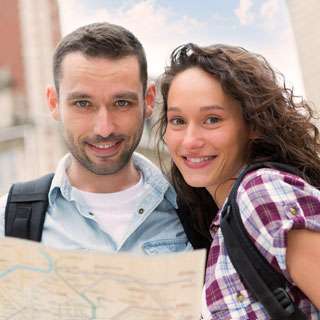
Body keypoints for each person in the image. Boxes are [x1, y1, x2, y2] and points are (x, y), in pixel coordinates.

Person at [156, 43, 320, 319]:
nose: (190, 141)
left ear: (253, 125)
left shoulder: (260, 193)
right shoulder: (222, 225)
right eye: (178, 121)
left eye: (211, 119)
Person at [0, 22, 191, 255]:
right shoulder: (7, 223)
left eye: (122, 103)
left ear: (149, 100)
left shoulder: (198, 212)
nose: (104, 129)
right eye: (83, 104)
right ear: (53, 103)